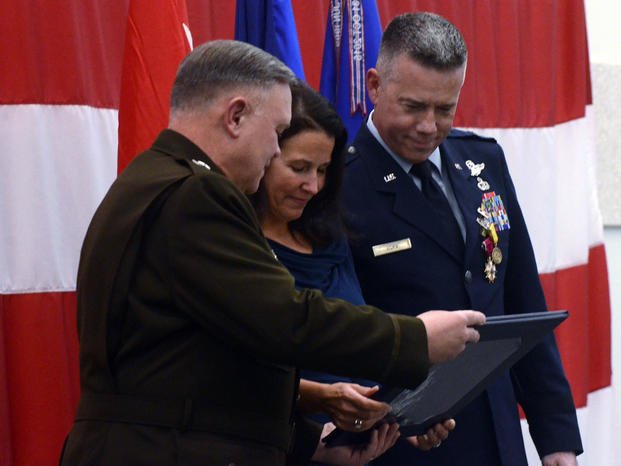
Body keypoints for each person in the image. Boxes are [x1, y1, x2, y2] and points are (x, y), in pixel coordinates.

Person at [58, 40, 485, 466]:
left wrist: (310, 441)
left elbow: (207, 363)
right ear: (236, 116)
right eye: (278, 134)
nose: (277, 152)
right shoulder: (197, 194)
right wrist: (415, 339)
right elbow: (286, 320)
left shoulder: (152, 179)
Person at [342, 12, 583, 466]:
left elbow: (520, 300)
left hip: (498, 436)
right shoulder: (340, 185)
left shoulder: (481, 162)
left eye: (444, 109)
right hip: (403, 444)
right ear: (374, 86)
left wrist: (557, 439)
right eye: (413, 106)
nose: (428, 126)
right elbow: (335, 333)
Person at [249, 79, 456, 462]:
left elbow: (358, 340)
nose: (313, 186)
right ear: (262, 155)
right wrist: (316, 433)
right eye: (299, 168)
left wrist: (401, 417)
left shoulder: (329, 233)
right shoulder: (238, 243)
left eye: (324, 170)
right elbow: (240, 373)